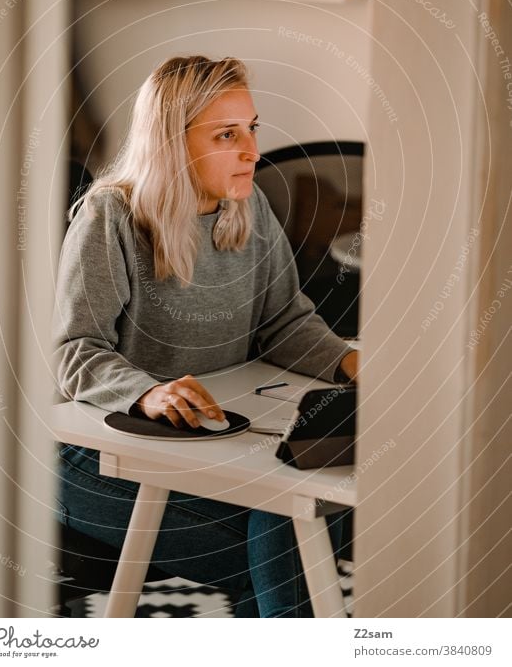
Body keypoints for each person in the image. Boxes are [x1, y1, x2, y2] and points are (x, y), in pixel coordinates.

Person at [52, 54, 359, 618]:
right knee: (287, 536)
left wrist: (349, 364)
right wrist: (148, 392)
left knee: (294, 515)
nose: (252, 151)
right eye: (227, 134)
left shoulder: (248, 207)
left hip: (211, 451)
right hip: (93, 459)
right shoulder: (109, 217)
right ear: (172, 141)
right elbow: (73, 351)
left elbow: (282, 323)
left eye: (252, 129)